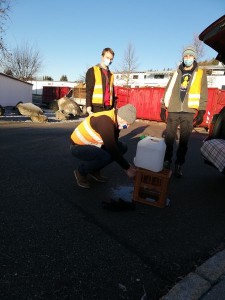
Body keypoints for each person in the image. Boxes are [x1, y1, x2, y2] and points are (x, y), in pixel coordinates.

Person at [160, 45, 208, 177]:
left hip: (189, 111)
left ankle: (179, 164)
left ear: (194, 57)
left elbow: (203, 93)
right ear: (183, 57)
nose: (188, 58)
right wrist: (163, 107)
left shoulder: (200, 73)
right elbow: (168, 89)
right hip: (174, 109)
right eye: (185, 56)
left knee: (184, 141)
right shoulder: (176, 72)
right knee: (169, 139)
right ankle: (167, 161)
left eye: (190, 56)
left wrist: (202, 111)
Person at [70, 104, 137, 188]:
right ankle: (81, 172)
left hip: (93, 144)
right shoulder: (105, 121)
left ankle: (94, 170)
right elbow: (112, 148)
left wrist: (127, 165)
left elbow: (114, 144)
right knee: (105, 156)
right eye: (127, 123)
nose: (128, 126)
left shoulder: (115, 120)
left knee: (122, 147)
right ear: (120, 117)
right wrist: (127, 168)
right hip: (78, 146)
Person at [85, 47, 116, 114]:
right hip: (96, 107)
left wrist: (114, 106)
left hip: (109, 107)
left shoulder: (111, 74)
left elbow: (112, 92)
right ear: (102, 57)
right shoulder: (92, 71)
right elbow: (89, 90)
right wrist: (88, 106)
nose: (109, 60)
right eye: (107, 57)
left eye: (111, 59)